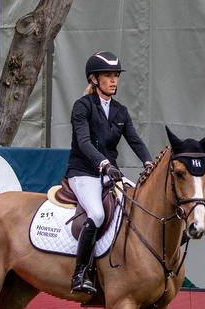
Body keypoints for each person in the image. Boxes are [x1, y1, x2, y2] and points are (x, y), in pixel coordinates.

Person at [65, 51, 155, 296]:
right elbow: (83, 142)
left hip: (109, 174)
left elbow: (135, 141)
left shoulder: (120, 111)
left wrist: (149, 163)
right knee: (96, 213)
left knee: (137, 204)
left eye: (115, 76)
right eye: (108, 75)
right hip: (84, 172)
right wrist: (104, 164)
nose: (114, 80)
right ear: (94, 79)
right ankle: (80, 273)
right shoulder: (82, 107)